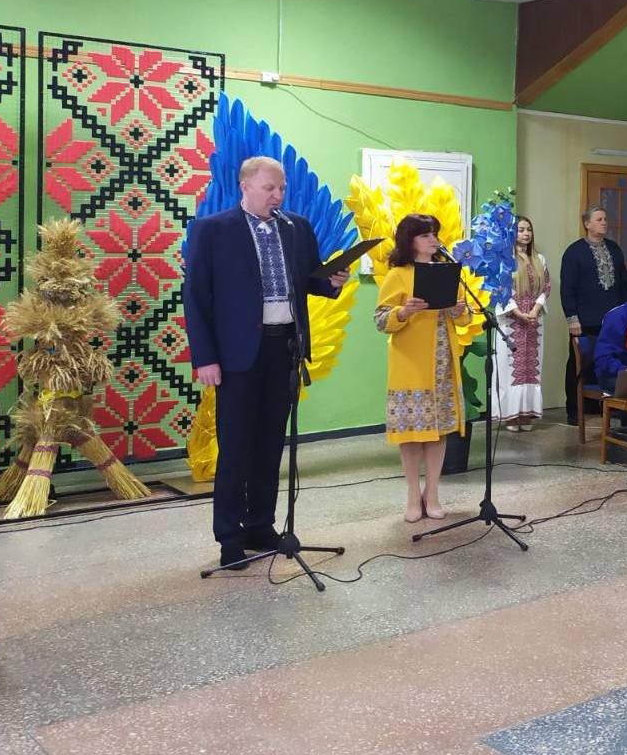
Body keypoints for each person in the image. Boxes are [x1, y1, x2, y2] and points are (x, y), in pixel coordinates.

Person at [183, 156, 347, 569]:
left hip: (284, 349)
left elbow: (308, 280)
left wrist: (331, 282)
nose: (278, 195)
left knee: (270, 445)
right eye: (269, 188)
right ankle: (229, 537)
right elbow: (197, 297)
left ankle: (260, 525)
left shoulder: (295, 227)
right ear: (245, 186)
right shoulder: (213, 229)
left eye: (282, 188)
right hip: (237, 356)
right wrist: (205, 358)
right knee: (236, 448)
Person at [374, 214, 473, 523]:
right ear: (410, 241)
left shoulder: (448, 272)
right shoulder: (398, 274)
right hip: (411, 363)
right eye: (425, 235)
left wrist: (459, 310)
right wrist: (404, 312)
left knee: (438, 431)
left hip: (443, 361)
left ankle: (433, 494)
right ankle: (412, 495)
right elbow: (380, 319)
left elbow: (466, 317)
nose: (433, 240)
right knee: (412, 434)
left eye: (434, 234)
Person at [560, 206, 627, 425]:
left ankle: (611, 406)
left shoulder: (615, 249)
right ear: (587, 224)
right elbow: (567, 288)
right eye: (599, 219)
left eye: (605, 218)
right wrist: (572, 318)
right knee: (578, 365)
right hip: (585, 322)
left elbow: (624, 285)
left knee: (612, 362)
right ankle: (574, 411)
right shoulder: (574, 252)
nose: (604, 222)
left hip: (612, 321)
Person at [497, 215, 548, 431]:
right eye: (521, 230)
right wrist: (517, 312)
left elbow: (546, 287)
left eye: (529, 229)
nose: (526, 234)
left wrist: (535, 310)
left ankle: (527, 414)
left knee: (532, 369)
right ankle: (511, 415)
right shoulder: (504, 260)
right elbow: (500, 289)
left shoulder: (540, 259)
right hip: (511, 321)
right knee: (510, 369)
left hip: (534, 321)